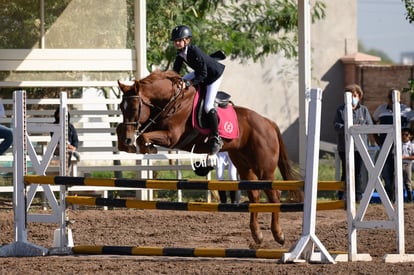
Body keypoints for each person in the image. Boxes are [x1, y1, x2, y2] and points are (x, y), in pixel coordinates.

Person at [171, 25, 225, 156]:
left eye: (179, 40)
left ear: (187, 40)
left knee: (207, 106)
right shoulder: (180, 53)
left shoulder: (194, 50)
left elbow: (203, 75)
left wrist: (189, 84)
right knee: (180, 81)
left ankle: (216, 137)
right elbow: (175, 72)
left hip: (213, 76)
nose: (177, 43)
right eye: (175, 41)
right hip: (201, 73)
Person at [334, 84, 375, 202]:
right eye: (350, 95)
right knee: (346, 171)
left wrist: (359, 128)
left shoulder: (364, 110)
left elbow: (369, 125)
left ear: (359, 96)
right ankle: (341, 195)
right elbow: (336, 125)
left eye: (355, 95)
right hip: (345, 146)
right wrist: (348, 128)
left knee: (358, 172)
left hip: (360, 147)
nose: (353, 97)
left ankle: (357, 196)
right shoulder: (340, 110)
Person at [372, 89, 414, 202]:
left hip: (400, 148)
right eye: (390, 97)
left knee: (400, 174)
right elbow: (373, 120)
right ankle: (388, 199)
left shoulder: (406, 110)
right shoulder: (381, 109)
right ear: (388, 98)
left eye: (395, 97)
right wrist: (376, 137)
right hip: (385, 145)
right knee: (386, 173)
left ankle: (399, 199)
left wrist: (410, 139)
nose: (392, 99)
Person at [52, 108, 80, 174]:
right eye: (59, 114)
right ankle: (66, 176)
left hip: (69, 149)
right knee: (67, 152)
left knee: (68, 153)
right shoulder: (54, 126)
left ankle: (66, 175)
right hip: (58, 148)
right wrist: (67, 146)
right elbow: (55, 140)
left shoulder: (70, 127)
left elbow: (75, 140)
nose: (61, 117)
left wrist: (74, 147)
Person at [401, 128, 414, 202]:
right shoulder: (399, 144)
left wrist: (405, 157)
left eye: (406, 135)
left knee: (407, 181)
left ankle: (410, 199)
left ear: (410, 136)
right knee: (397, 181)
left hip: (408, 164)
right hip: (399, 164)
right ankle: (397, 198)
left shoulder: (412, 145)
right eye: (402, 134)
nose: (404, 136)